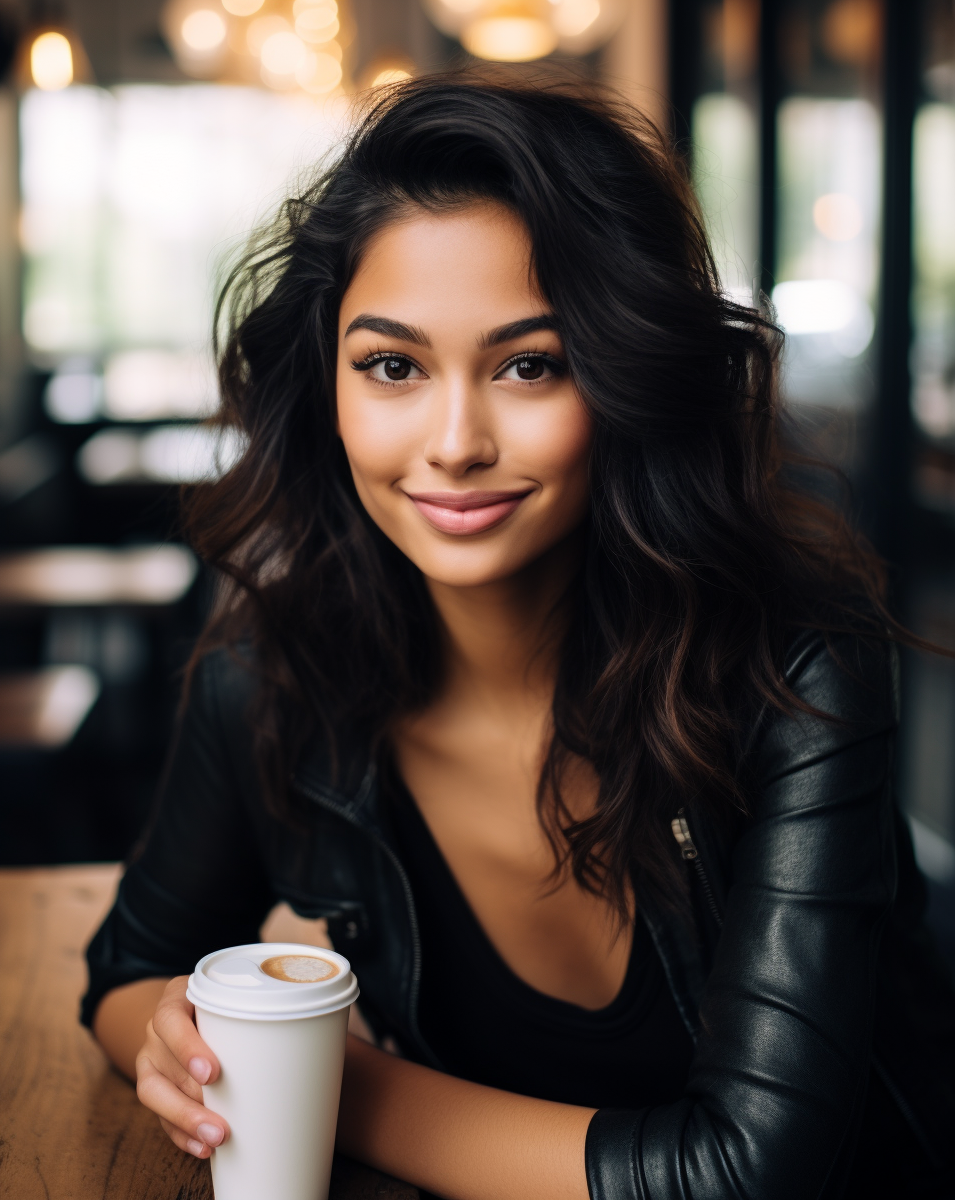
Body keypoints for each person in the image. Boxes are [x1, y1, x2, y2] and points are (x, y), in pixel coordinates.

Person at [82, 74, 955, 1200]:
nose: (453, 442)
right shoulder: (277, 668)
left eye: (530, 365)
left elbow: (751, 1172)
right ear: (329, 383)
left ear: (629, 373)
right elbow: (127, 970)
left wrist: (326, 1085)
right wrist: (173, 1043)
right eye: (392, 366)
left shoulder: (795, 666)